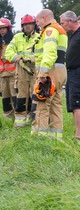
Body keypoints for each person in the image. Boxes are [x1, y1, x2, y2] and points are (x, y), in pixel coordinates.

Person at [32, 9, 68, 139]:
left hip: (50, 71)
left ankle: (40, 137)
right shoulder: (60, 30)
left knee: (42, 103)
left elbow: (50, 53)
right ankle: (56, 137)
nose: (37, 24)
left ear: (44, 18)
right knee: (56, 105)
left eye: (38, 21)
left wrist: (42, 73)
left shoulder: (50, 30)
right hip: (61, 71)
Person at [4, 15, 39, 127]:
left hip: (34, 71)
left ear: (34, 25)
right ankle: (19, 123)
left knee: (34, 96)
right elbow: (8, 52)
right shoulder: (17, 37)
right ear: (22, 26)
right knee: (21, 96)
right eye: (25, 24)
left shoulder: (39, 37)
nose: (27, 26)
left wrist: (31, 59)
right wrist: (17, 58)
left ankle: (34, 121)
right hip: (21, 71)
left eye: (30, 24)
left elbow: (42, 54)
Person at [60, 11, 80, 141]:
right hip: (72, 73)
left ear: (70, 21)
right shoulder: (73, 35)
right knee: (73, 104)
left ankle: (79, 135)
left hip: (77, 73)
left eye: (62, 23)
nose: (62, 26)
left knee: (77, 103)